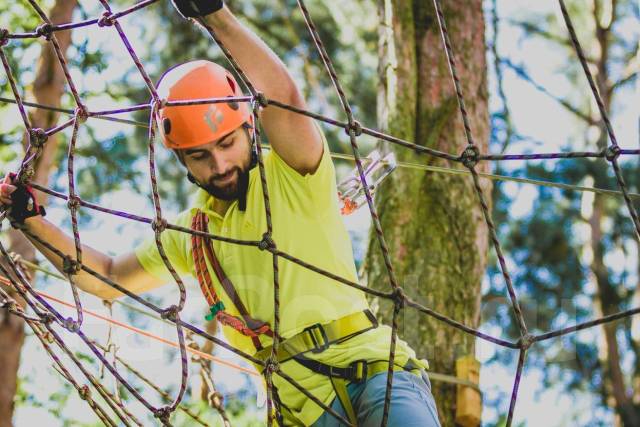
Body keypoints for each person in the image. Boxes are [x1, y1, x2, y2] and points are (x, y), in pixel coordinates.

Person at [0, 1, 440, 425]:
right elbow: (110, 277)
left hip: (374, 376)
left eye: (227, 144)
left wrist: (214, 15)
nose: (220, 165)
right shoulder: (193, 234)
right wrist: (32, 221)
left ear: (249, 129)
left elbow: (283, 95)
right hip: (299, 411)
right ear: (183, 162)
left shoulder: (292, 174)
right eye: (200, 156)